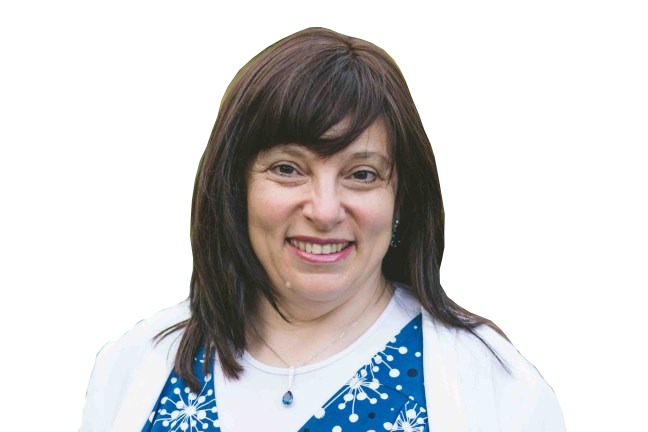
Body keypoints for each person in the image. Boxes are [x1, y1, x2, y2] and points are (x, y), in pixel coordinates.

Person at [79, 28, 566, 432]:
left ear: (401, 200)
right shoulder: (135, 363)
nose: (325, 210)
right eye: (288, 169)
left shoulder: (496, 386)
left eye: (362, 174)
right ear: (235, 187)